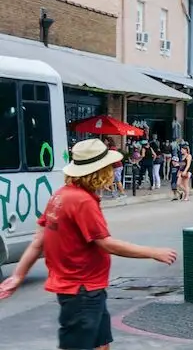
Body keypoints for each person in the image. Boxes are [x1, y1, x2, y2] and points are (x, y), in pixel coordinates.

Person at [0, 138, 178, 350]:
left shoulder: (60, 195)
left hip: (83, 288)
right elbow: (106, 243)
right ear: (99, 172)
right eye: (110, 167)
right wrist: (152, 252)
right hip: (82, 291)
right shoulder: (82, 201)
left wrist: (18, 276)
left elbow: (39, 240)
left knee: (101, 343)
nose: (113, 171)